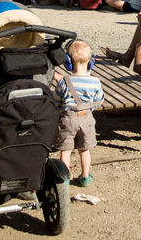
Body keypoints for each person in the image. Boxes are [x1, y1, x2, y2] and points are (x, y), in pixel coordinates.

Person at [53, 40, 103, 188]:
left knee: (65, 151)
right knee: (84, 149)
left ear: (68, 61)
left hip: (67, 119)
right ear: (91, 61)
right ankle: (85, 177)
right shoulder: (95, 81)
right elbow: (99, 101)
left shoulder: (64, 81)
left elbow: (57, 101)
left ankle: (64, 179)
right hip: (86, 118)